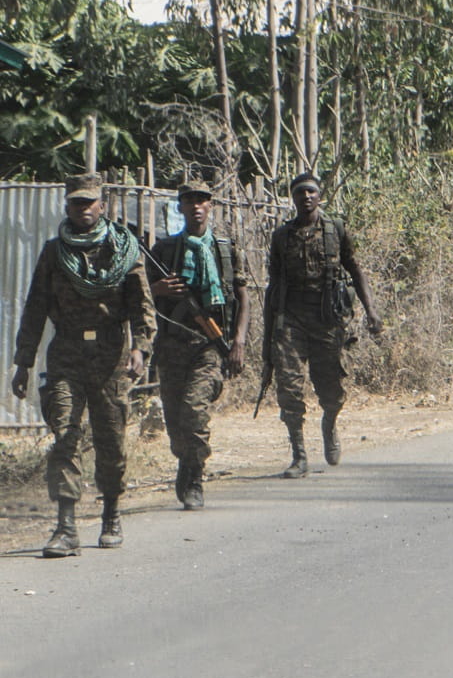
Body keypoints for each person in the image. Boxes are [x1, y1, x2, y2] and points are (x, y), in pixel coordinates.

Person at [8, 173, 155, 556]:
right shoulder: (55, 253)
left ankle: (111, 514)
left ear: (103, 206)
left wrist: (141, 347)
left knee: (111, 441)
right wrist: (23, 363)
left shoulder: (124, 249)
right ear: (66, 206)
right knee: (65, 437)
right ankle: (66, 527)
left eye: (89, 202)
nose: (83, 209)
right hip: (67, 355)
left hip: (111, 355)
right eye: (76, 203)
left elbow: (142, 305)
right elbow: (34, 308)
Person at [265, 172, 381, 478]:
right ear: (292, 198)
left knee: (331, 388)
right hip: (291, 319)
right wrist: (270, 328)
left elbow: (355, 270)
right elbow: (273, 283)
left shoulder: (335, 230)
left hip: (327, 319)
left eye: (311, 192)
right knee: (289, 387)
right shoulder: (282, 236)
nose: (306, 197)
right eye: (300, 192)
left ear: (320, 196)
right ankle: (299, 455)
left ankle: (329, 423)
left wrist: (371, 311)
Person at [148, 175, 249, 510]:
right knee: (176, 423)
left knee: (195, 413)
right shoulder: (164, 250)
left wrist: (238, 341)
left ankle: (195, 475)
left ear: (210, 205)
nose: (196, 206)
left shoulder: (225, 249)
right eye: (189, 200)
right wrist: (159, 290)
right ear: (180, 206)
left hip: (209, 344)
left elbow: (242, 297)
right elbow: (137, 294)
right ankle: (185, 461)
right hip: (172, 344)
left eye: (202, 200)